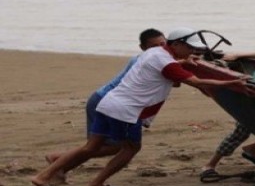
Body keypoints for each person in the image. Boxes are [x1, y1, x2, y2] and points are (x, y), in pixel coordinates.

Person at [30, 28, 249, 186]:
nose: (193, 51)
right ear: (177, 44)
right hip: (126, 111)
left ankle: (43, 176)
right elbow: (197, 81)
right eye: (189, 48)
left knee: (92, 146)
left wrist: (184, 60)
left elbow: (166, 63)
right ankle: (96, 184)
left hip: (108, 103)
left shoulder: (155, 52)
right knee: (131, 148)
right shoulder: (166, 62)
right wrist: (232, 82)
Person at [44, 28, 167, 171]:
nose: (159, 49)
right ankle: (58, 159)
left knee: (97, 146)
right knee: (114, 146)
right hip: (108, 102)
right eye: (154, 46)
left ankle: (60, 168)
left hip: (104, 100)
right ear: (143, 48)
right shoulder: (144, 61)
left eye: (162, 45)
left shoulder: (151, 59)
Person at [199, 35, 255, 180]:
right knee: (239, 135)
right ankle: (210, 165)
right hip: (249, 107)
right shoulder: (252, 64)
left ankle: (253, 148)